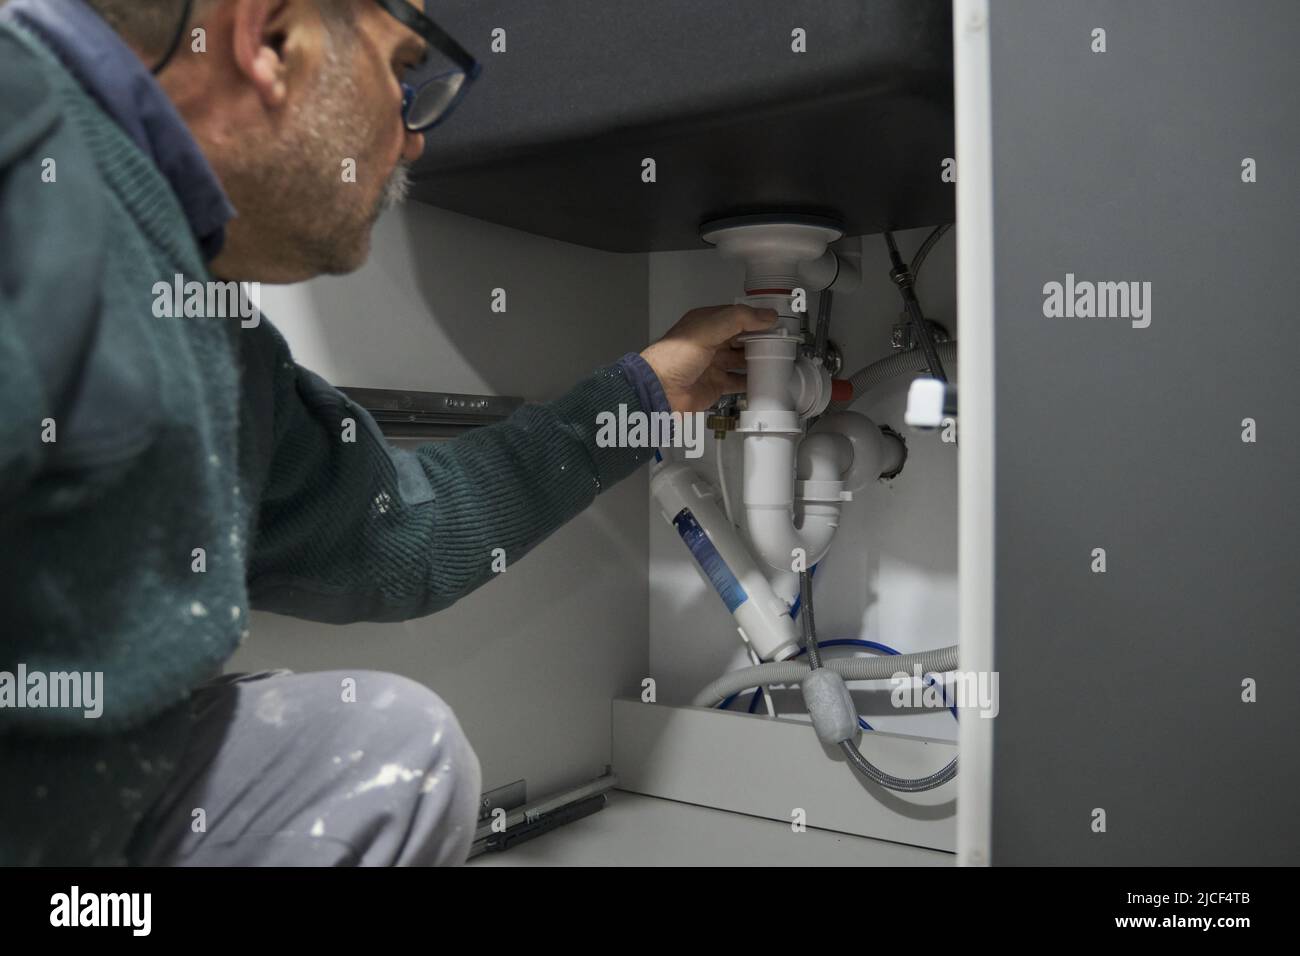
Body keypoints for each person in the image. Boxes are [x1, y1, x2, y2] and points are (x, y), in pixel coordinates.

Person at [0, 0, 776, 865]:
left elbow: (397, 530)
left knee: (394, 752)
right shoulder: (25, 159)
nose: (413, 139)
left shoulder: (205, 325)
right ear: (273, 41)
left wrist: (642, 395)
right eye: (405, 75)